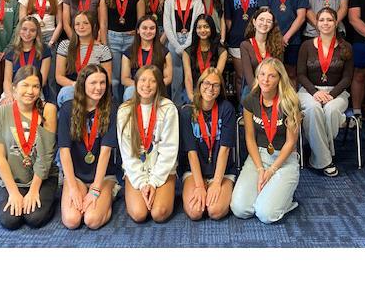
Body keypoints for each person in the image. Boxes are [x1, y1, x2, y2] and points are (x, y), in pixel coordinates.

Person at [0, 66, 59, 229]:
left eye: (35, 86)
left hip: (43, 177)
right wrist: (13, 192)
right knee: (10, 221)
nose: (30, 91)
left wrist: (33, 191)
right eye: (25, 85)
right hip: (13, 180)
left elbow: (46, 157)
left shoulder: (48, 110)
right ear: (14, 88)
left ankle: (51, 198)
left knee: (34, 218)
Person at [230, 57, 302, 224]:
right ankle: (271, 194)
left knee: (266, 214)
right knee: (240, 209)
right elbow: (249, 137)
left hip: (284, 159)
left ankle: (285, 199)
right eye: (262, 74)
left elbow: (291, 142)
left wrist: (272, 170)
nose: (265, 79)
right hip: (259, 156)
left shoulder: (291, 102)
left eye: (271, 76)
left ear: (279, 79)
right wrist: (260, 168)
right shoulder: (250, 100)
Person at [58, 65, 120, 230]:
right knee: (72, 220)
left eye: (102, 83)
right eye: (93, 83)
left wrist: (95, 189)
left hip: (104, 176)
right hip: (77, 176)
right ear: (82, 84)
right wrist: (72, 187)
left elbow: (106, 152)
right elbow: (64, 152)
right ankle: (81, 192)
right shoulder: (67, 109)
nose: (98, 88)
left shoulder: (111, 110)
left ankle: (109, 195)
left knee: (91, 220)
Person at [296, 7, 353, 177]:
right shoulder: (306, 46)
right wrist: (315, 92)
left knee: (331, 110)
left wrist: (331, 95)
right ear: (316, 23)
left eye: (329, 20)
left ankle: (318, 156)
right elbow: (300, 74)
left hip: (337, 92)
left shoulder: (346, 46)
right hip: (308, 91)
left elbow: (348, 77)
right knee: (313, 109)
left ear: (336, 23)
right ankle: (326, 159)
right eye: (322, 20)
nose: (325, 23)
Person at [117, 65, 178, 223]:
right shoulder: (124, 110)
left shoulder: (168, 108)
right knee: (139, 214)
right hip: (136, 170)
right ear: (135, 83)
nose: (147, 85)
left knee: (159, 213)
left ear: (159, 85)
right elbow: (127, 154)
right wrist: (142, 183)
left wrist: (153, 182)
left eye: (152, 81)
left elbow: (169, 150)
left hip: (163, 170)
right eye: (143, 80)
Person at [179, 68, 236, 220]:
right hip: (194, 171)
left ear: (220, 89)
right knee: (195, 212)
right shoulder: (187, 112)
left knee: (215, 211)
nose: (210, 89)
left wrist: (216, 183)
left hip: (221, 171)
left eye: (216, 85)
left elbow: (224, 150)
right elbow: (191, 153)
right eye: (207, 83)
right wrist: (199, 185)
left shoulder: (227, 110)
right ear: (200, 84)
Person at [258, 0, 310, 84]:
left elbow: (302, 16)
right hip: (271, 37)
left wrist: (286, 37)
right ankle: (276, 104)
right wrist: (276, 37)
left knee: (292, 73)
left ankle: (291, 105)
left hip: (293, 39)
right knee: (272, 73)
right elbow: (264, 15)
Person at [18, 0, 64, 102]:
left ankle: (52, 107)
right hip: (31, 37)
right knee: (32, 73)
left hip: (50, 36)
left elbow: (60, 23)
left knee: (50, 77)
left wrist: (51, 42)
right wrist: (31, 38)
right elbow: (22, 22)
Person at [162, 0, 204, 104]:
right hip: (173, 42)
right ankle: (176, 106)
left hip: (191, 42)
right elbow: (167, 26)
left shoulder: (197, 2)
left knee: (190, 75)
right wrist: (177, 46)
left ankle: (192, 105)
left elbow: (199, 25)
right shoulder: (169, 1)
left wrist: (186, 46)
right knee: (176, 77)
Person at [55, 10, 112, 106]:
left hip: (94, 88)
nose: (81, 27)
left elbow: (108, 80)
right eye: (77, 24)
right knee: (66, 92)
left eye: (85, 23)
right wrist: (76, 85)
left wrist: (90, 87)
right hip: (73, 86)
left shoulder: (103, 49)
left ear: (93, 26)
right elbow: (59, 77)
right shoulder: (65, 45)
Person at [223, 0, 261, 99]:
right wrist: (236, 31)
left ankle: (256, 107)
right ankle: (241, 108)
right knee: (241, 77)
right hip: (236, 41)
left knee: (256, 76)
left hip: (256, 40)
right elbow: (228, 20)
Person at [105, 0, 144, 101]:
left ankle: (129, 103)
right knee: (114, 78)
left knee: (130, 75)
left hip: (130, 39)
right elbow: (103, 21)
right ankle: (115, 105)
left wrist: (137, 33)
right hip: (113, 38)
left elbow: (141, 21)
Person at [0, 16, 51, 105]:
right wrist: (9, 95)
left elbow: (43, 80)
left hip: (35, 89)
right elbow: (7, 80)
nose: (27, 33)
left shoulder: (44, 49)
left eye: (32, 30)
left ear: (37, 33)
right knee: (3, 107)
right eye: (24, 29)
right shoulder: (11, 50)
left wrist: (28, 93)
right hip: (14, 89)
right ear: (19, 30)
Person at [121, 15, 172, 101]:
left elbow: (168, 78)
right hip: (136, 87)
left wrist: (153, 86)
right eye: (144, 28)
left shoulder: (165, 52)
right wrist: (142, 86)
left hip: (157, 88)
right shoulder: (129, 52)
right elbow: (124, 79)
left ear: (156, 31)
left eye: (152, 28)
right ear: (138, 30)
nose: (148, 31)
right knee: (129, 91)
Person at [240, 7, 285, 100]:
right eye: (261, 19)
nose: (264, 23)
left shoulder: (277, 44)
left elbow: (280, 72)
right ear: (254, 22)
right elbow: (249, 76)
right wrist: (262, 94)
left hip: (273, 86)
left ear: (272, 25)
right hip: (253, 87)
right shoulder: (245, 45)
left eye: (269, 21)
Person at [182, 14, 228, 102]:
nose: (202, 30)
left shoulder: (222, 52)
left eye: (206, 27)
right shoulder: (187, 52)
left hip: (213, 89)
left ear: (212, 29)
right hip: (194, 89)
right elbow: (188, 77)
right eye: (199, 27)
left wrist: (207, 96)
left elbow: (216, 77)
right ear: (195, 30)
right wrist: (192, 97)